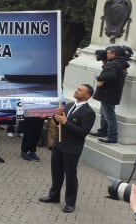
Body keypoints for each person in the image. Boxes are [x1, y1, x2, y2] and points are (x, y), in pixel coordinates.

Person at [39, 84, 96, 214]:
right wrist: (56, 116)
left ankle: (70, 203)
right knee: (56, 173)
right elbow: (59, 121)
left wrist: (65, 122)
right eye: (77, 88)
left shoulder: (89, 113)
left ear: (87, 95)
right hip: (59, 145)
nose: (76, 90)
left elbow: (82, 132)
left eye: (80, 90)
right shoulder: (69, 105)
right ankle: (54, 196)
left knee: (70, 176)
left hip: (72, 149)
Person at [90, 46, 130, 144]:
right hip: (110, 93)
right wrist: (105, 62)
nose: (106, 54)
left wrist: (100, 77)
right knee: (104, 114)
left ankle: (112, 137)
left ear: (114, 54)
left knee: (109, 115)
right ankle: (103, 131)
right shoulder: (119, 63)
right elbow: (111, 70)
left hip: (108, 93)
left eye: (108, 53)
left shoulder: (115, 64)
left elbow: (111, 74)